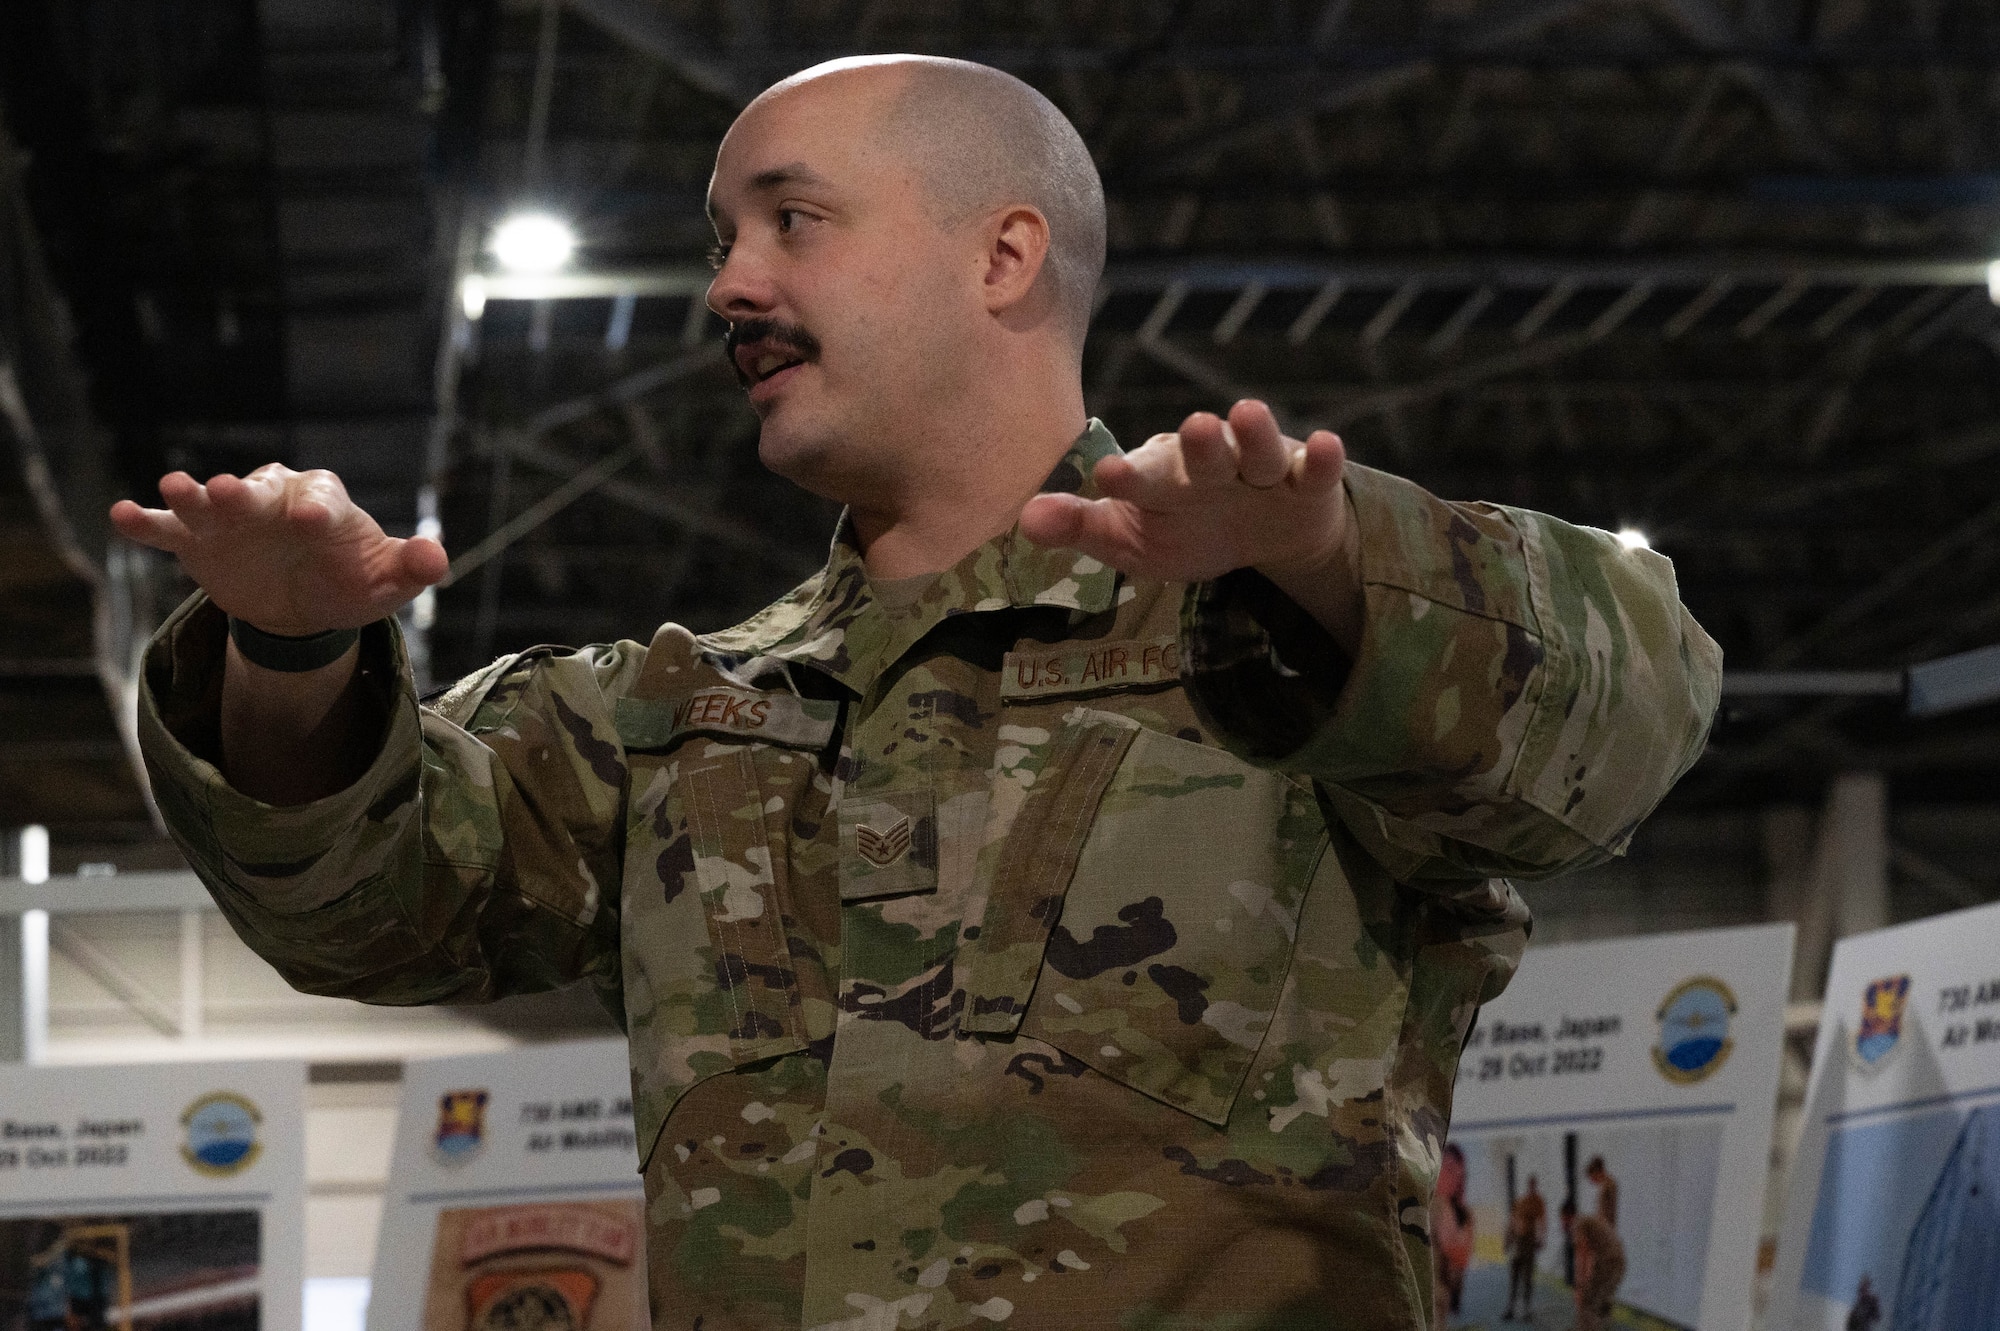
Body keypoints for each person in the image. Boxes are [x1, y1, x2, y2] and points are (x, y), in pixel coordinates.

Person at [114, 53, 1721, 1330]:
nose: (728, 286)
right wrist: (295, 646)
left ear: (1002, 252)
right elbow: (364, 902)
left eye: (789, 221)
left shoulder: (1278, 647)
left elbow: (1628, 718)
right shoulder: (673, 717)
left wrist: (1328, 560)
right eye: (720, 239)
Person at [1432, 1144, 1474, 1329]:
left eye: (1459, 1172)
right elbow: (1454, 1249)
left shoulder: (1454, 1209)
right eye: (1448, 1169)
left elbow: (1459, 1258)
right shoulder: (1439, 1205)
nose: (1455, 1177)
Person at [1565, 1202, 1626, 1331]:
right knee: (1602, 1304)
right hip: (1618, 1263)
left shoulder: (1579, 1225)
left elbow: (1584, 1256)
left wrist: (1580, 1287)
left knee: (1588, 1304)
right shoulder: (1590, 1222)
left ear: (1566, 1217)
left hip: (1608, 1264)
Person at [1504, 1173, 1547, 1321]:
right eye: (1530, 1184)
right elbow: (1512, 1221)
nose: (1532, 1187)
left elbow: (1542, 1221)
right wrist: (1507, 1240)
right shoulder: (1521, 1201)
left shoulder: (1538, 1202)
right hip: (1518, 1242)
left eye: (1534, 1185)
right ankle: (1511, 1308)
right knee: (1514, 1276)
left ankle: (1526, 1310)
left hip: (1529, 1243)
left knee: (1527, 1277)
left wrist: (1541, 1238)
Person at [1587, 1155, 1620, 1228]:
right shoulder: (1606, 1185)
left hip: (1606, 1226)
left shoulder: (1608, 1185)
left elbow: (1608, 1210)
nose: (1593, 1181)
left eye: (1592, 1178)